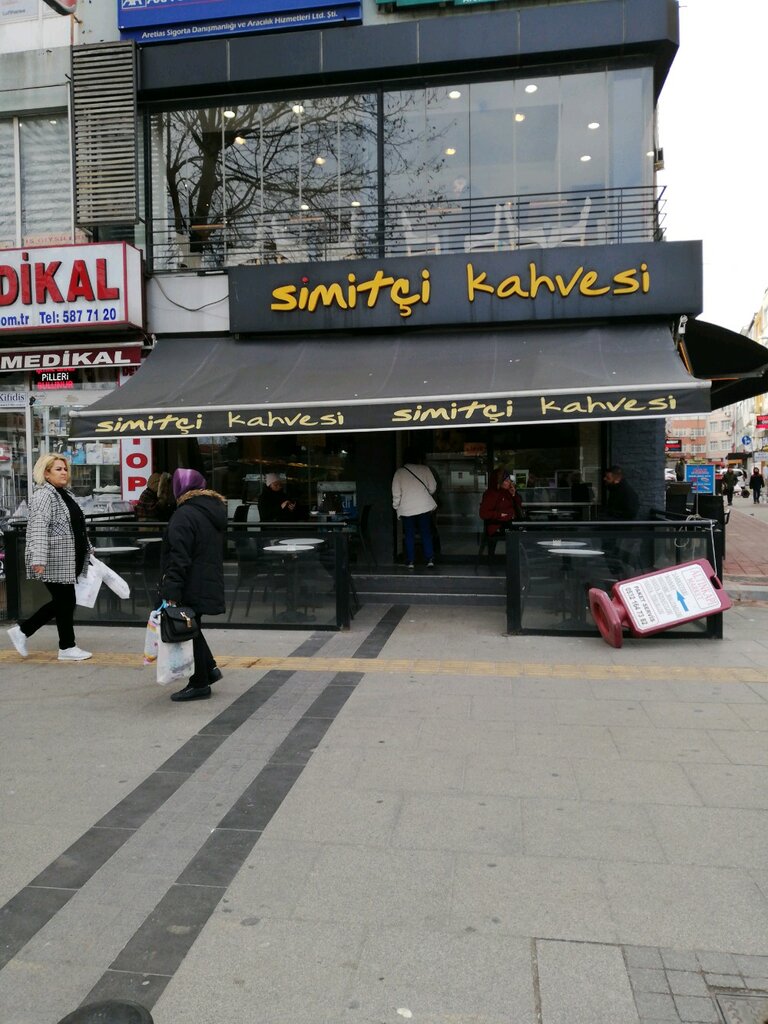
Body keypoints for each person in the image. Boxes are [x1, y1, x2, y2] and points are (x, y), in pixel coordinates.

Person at [6, 454, 92, 661]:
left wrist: (88, 547)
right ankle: (65, 646)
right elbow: (38, 527)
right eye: (58, 469)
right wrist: (38, 559)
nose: (64, 473)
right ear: (46, 473)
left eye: (65, 469)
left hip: (69, 558)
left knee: (64, 601)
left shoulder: (64, 494)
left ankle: (24, 632)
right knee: (65, 601)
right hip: (54, 558)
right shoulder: (44, 495)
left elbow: (76, 526)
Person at [159, 468, 227, 702]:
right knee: (192, 627)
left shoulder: (184, 514)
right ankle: (209, 669)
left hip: (189, 582)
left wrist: (171, 589)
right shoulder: (209, 510)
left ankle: (199, 683)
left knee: (187, 631)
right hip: (204, 579)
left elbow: (179, 556)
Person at [392, 447, 437, 570]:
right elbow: (433, 487)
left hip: (407, 509)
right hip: (424, 506)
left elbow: (396, 493)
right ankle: (430, 559)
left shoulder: (399, 472)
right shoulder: (425, 469)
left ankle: (410, 560)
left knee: (409, 534)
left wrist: (396, 506)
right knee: (426, 533)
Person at [479, 469, 524, 558]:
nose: (509, 482)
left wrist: (514, 495)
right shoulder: (491, 494)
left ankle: (519, 558)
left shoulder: (507, 492)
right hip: (498, 526)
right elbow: (483, 513)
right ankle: (514, 559)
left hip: (509, 522)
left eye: (509, 480)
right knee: (519, 532)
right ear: (499, 482)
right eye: (506, 480)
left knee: (526, 527)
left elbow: (518, 505)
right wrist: (500, 515)